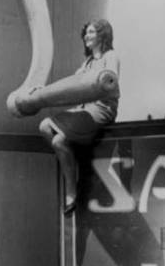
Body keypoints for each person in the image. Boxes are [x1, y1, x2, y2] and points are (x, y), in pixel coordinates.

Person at [39, 19, 120, 215]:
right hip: (84, 110)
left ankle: (71, 190)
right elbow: (70, 84)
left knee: (59, 139)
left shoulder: (110, 56)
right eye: (86, 33)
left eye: (91, 32)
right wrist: (42, 91)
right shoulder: (87, 63)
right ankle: (72, 175)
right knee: (47, 129)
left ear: (102, 35)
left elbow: (111, 79)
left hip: (101, 110)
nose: (86, 36)